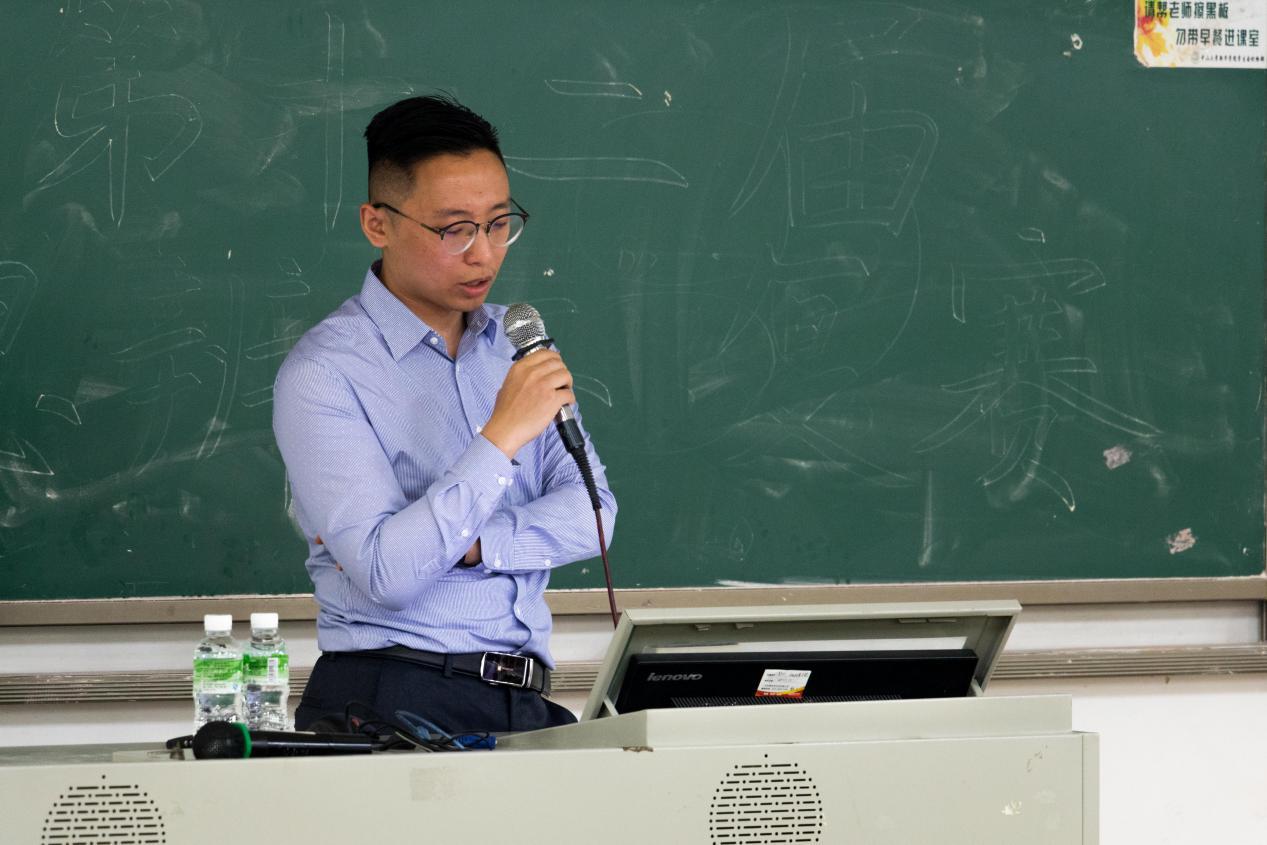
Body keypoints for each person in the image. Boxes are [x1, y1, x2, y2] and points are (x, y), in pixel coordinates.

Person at [272, 95, 616, 735]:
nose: (484, 253)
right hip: (390, 694)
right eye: (455, 230)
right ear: (377, 224)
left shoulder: (513, 348)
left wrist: (470, 544)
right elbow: (387, 572)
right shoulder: (324, 373)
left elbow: (594, 515)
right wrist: (502, 435)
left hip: (524, 698)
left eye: (499, 223)